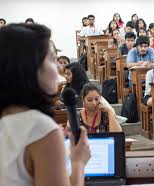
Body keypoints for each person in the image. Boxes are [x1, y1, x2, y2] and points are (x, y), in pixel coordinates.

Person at [0, 23, 90, 185]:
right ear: (30, 67)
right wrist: (78, 161)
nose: (60, 67)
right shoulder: (39, 128)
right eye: (53, 59)